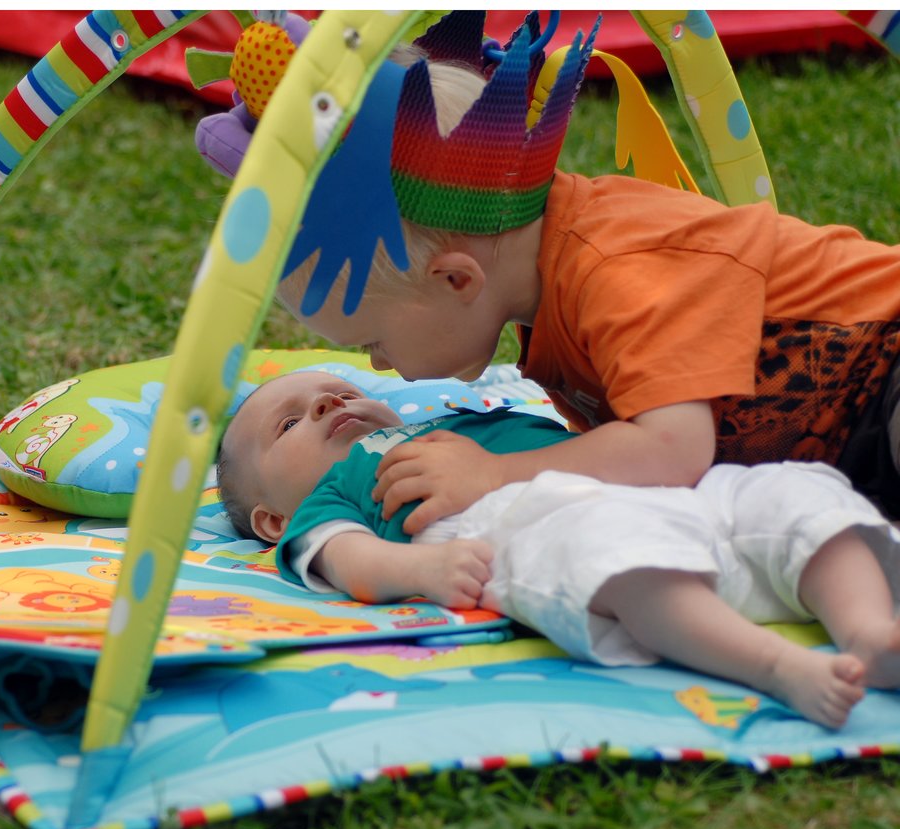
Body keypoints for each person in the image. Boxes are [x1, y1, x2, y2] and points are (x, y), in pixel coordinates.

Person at [198, 11, 900, 531]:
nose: (380, 364)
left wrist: (495, 473)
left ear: (455, 279)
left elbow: (673, 449)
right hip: (853, 465)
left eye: (371, 340)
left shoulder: (612, 263)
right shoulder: (540, 308)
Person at [217, 370, 900, 729]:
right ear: (272, 519)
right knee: (612, 554)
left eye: (338, 391)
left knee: (789, 492)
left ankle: (868, 630)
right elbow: (350, 560)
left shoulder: (462, 418)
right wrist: (422, 568)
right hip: (536, 522)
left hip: (673, 492)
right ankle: (776, 667)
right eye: (289, 421)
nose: (328, 402)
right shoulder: (329, 497)